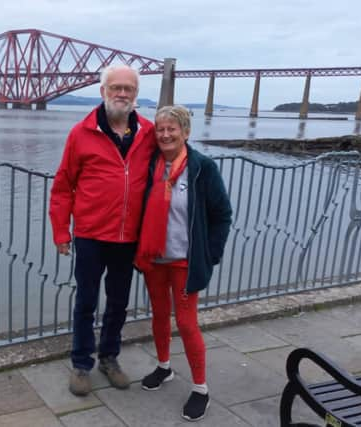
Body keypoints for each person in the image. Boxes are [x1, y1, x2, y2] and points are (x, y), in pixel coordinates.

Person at [49, 64, 155, 396]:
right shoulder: (81, 133)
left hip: (128, 237)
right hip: (91, 234)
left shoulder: (149, 133)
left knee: (118, 303)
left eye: (129, 89)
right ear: (103, 92)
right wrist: (60, 232)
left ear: (136, 95)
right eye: (116, 88)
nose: (122, 94)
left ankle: (109, 358)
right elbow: (63, 186)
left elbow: (174, 164)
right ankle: (82, 364)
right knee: (86, 301)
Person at [134, 105, 232, 421]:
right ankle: (164, 368)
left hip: (185, 262)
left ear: (186, 132)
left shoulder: (202, 168)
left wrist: (211, 255)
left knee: (187, 323)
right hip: (155, 258)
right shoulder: (149, 165)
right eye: (160, 129)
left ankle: (201, 388)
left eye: (172, 129)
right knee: (160, 315)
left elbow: (222, 215)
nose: (165, 134)